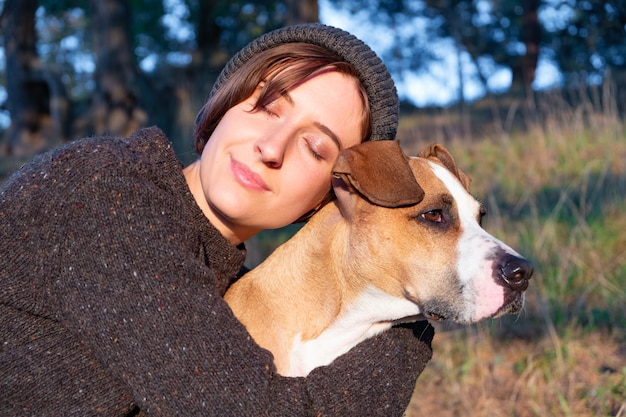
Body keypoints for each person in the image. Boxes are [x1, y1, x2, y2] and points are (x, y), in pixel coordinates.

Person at [0, 23, 434, 416]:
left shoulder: (226, 285)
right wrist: (408, 333)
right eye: (267, 106)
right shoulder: (106, 191)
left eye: (315, 148)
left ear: (330, 197)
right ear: (226, 101)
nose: (271, 146)